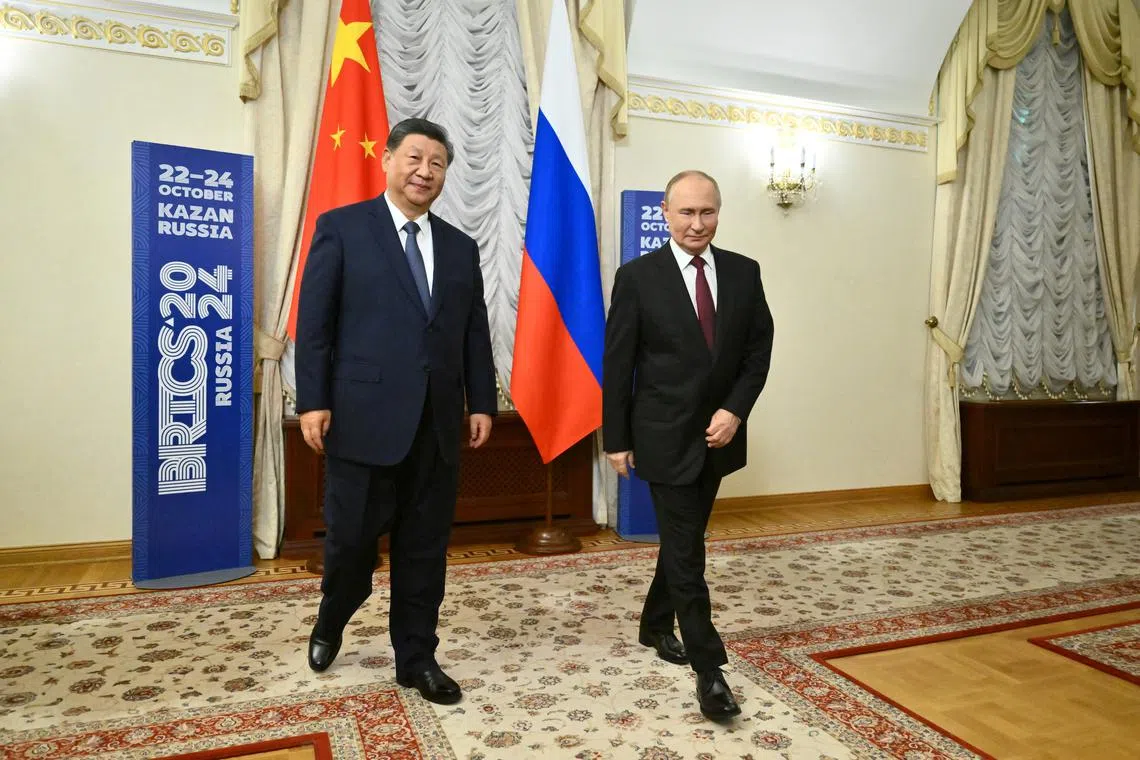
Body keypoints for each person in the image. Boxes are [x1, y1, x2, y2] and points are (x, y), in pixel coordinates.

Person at [295, 117, 497, 706]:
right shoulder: (342, 228)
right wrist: (313, 400)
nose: (424, 171)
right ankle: (332, 616)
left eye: (437, 163)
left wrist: (480, 400)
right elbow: (315, 326)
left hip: (435, 426)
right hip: (361, 418)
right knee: (352, 546)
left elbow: (473, 333)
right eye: (414, 158)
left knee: (424, 549)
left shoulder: (461, 246)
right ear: (387, 159)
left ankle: (417, 657)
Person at [602, 170, 774, 720]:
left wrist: (735, 411)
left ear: (718, 213)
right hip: (661, 436)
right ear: (666, 214)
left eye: (707, 212)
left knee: (683, 540)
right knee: (688, 552)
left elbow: (758, 351)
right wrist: (617, 438)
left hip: (719, 437)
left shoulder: (745, 273)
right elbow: (618, 364)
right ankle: (710, 670)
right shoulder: (638, 277)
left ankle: (654, 625)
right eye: (686, 213)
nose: (697, 223)